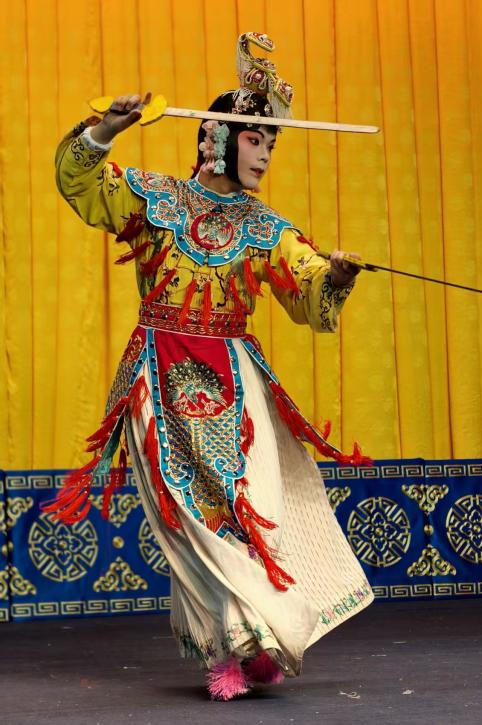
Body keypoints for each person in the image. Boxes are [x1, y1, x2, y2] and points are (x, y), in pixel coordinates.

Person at [48, 33, 374, 701]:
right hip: (157, 372)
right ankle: (238, 642)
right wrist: (106, 129)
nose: (266, 155)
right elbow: (79, 183)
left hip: (234, 379)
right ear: (217, 137)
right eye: (256, 139)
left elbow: (307, 287)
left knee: (250, 508)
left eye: (272, 144)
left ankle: (252, 634)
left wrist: (336, 274)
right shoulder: (156, 199)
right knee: (186, 517)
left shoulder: (266, 227)